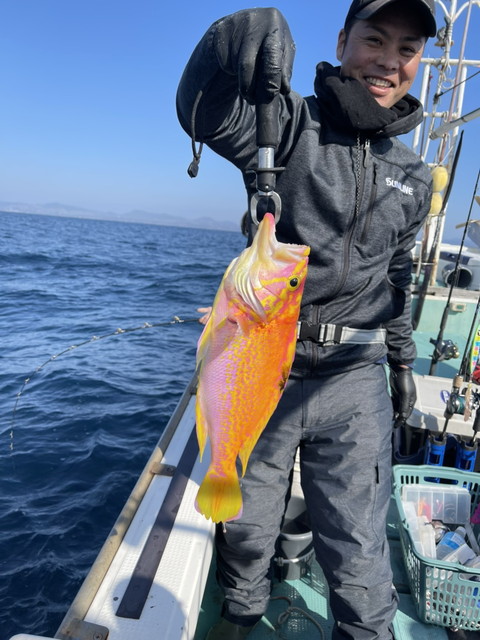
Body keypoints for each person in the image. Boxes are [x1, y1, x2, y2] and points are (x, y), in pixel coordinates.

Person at [176, 1, 436, 638]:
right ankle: (239, 620)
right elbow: (204, 113)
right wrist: (223, 45)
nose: (389, 61)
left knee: (359, 547)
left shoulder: (414, 175)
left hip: (356, 379)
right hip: (270, 370)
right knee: (246, 528)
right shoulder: (287, 123)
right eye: (375, 39)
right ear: (343, 41)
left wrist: (402, 363)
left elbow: (398, 278)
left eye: (406, 49)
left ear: (419, 62)